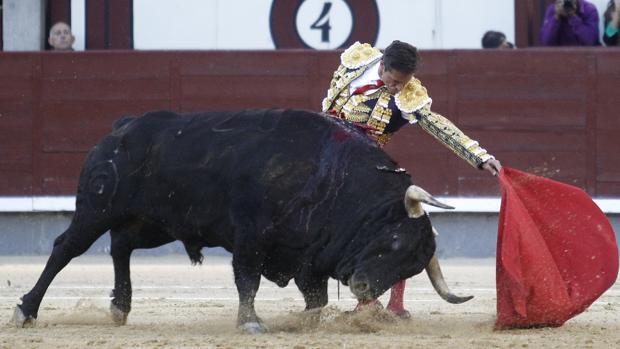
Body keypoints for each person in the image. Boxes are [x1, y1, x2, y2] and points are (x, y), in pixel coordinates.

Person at [322, 40, 502, 318]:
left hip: (362, 168)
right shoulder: (357, 60)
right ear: (381, 66)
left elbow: (440, 126)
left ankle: (391, 303)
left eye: (402, 83)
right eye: (393, 81)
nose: (396, 88)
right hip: (321, 153)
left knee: (399, 220)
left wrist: (479, 156)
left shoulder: (410, 97)